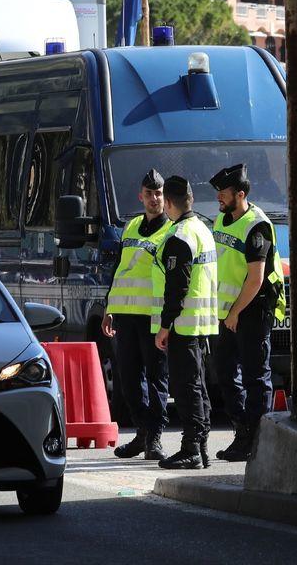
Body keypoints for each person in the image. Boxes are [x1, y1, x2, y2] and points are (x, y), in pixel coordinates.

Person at [209, 163, 286, 462]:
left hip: (252, 309)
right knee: (225, 373)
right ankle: (243, 432)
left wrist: (234, 313)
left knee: (255, 377)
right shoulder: (222, 218)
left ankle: (255, 439)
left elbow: (255, 279)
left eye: (224, 192)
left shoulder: (257, 226)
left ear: (240, 194)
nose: (219, 197)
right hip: (228, 311)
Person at [103, 169, 173, 461]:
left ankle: (154, 436)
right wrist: (109, 308)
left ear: (165, 197)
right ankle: (142, 431)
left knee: (157, 379)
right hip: (126, 315)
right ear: (140, 197)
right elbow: (119, 269)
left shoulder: (171, 230)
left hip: (154, 317)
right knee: (129, 380)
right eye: (149, 194)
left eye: (159, 193)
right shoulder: (131, 226)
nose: (155, 199)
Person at [152, 176, 218, 470]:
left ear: (168, 203)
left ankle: (192, 448)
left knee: (186, 387)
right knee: (197, 386)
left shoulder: (180, 235)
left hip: (183, 324)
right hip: (201, 324)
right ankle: (200, 446)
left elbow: (177, 285)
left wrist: (165, 325)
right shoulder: (202, 229)